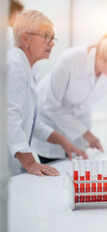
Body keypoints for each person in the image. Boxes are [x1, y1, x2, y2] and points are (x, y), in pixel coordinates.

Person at [31, 33, 107, 164]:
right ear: (101, 57)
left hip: (78, 119)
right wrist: (86, 134)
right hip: (50, 116)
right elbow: (51, 105)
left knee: (77, 167)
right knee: (54, 168)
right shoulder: (71, 59)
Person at [7, 10, 86, 176]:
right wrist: (30, 162)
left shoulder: (31, 67)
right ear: (25, 38)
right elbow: (8, 119)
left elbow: (30, 122)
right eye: (46, 36)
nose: (52, 43)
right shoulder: (14, 65)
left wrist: (63, 142)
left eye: (53, 37)